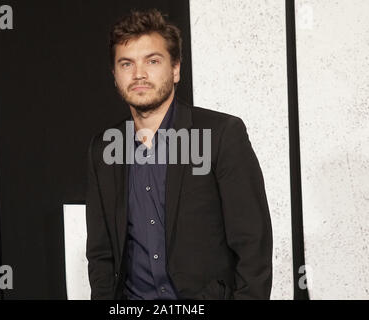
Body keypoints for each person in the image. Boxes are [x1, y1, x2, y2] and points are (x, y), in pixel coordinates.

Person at [85, 8, 273, 300]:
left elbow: (253, 245)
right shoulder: (103, 149)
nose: (139, 74)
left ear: (175, 69)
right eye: (126, 64)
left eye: (153, 60)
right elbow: (101, 253)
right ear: (114, 75)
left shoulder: (221, 134)